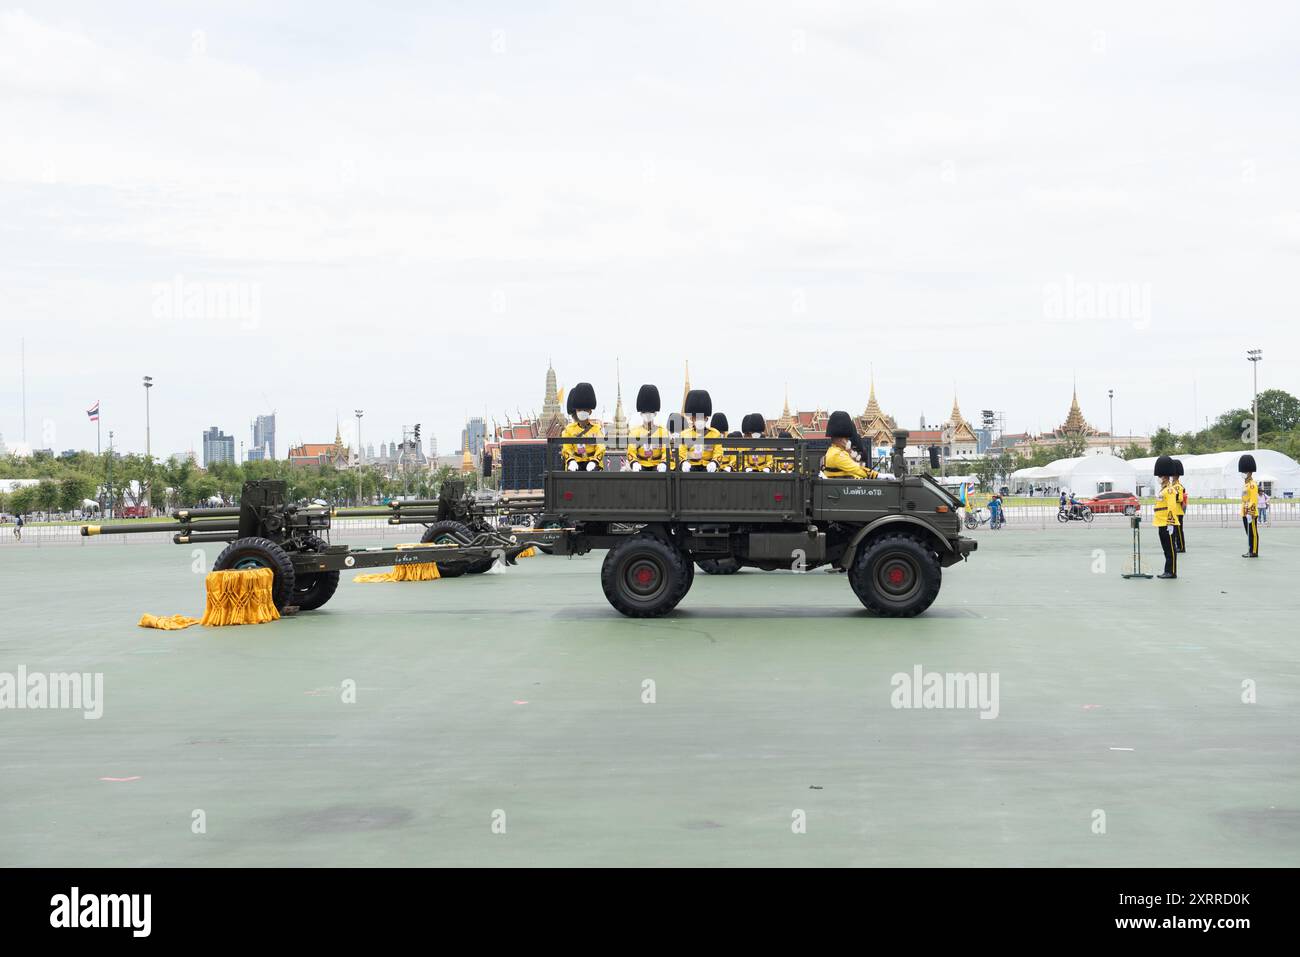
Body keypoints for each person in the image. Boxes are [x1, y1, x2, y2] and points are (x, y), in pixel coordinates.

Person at [559, 381, 606, 471]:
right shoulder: (569, 429)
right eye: (579, 409)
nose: (582, 412)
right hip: (575, 463)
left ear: (590, 412)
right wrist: (571, 460)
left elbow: (601, 446)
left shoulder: (596, 429)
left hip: (592, 463)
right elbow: (566, 447)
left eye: (585, 409)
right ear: (576, 411)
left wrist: (594, 461)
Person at [821, 411, 879, 479]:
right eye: (846, 439)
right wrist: (880, 475)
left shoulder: (834, 451)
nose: (848, 441)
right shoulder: (837, 454)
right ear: (840, 439)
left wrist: (849, 451)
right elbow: (858, 470)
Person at [677, 390, 722, 471]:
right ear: (692, 419)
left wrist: (714, 463)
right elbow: (681, 452)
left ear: (706, 419)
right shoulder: (684, 434)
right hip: (691, 467)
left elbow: (718, 452)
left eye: (702, 417)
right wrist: (683, 462)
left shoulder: (715, 434)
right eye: (696, 417)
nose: (699, 420)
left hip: (708, 467)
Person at [627, 384, 668, 471]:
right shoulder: (634, 432)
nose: (648, 415)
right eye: (645, 413)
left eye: (651, 413)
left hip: (657, 466)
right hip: (640, 465)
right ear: (641, 414)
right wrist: (634, 462)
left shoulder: (662, 432)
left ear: (655, 414)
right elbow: (631, 450)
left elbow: (666, 451)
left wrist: (664, 463)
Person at [1152, 456, 1180, 579]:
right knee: (1166, 549)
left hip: (1167, 523)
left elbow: (1172, 507)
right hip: (1160, 522)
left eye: (1160, 476)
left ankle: (1172, 571)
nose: (1159, 478)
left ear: (1164, 476)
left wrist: (1170, 523)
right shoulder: (1163, 490)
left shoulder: (1169, 490)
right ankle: (1167, 570)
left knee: (1170, 549)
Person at [1240, 454, 1260, 558]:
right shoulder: (1246, 484)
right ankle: (1250, 549)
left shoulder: (1252, 484)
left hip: (1250, 512)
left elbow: (1253, 499)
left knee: (1253, 533)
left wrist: (1250, 512)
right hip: (1245, 511)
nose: (1243, 473)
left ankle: (1254, 551)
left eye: (1244, 472)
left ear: (1250, 472)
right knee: (1249, 533)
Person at [1171, 459, 1187, 553]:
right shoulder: (1173, 485)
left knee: (1179, 531)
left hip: (1178, 511)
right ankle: (1178, 545)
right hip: (1174, 511)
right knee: (1175, 531)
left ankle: (1181, 547)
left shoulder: (1178, 486)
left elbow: (1179, 498)